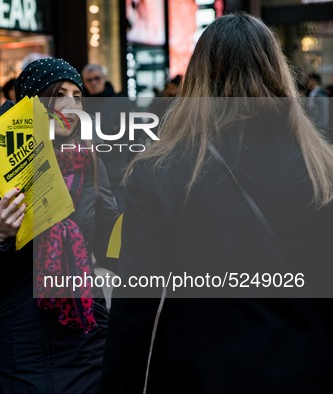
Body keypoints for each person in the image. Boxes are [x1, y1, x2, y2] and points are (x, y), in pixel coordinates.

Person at [100, 13, 333, 393]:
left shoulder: (161, 169)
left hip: (196, 371)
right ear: (277, 72)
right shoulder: (320, 168)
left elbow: (134, 311)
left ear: (198, 78)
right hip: (303, 368)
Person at [0, 58, 119, 393]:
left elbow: (111, 243)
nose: (70, 104)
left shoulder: (90, 160)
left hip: (83, 338)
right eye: (59, 95)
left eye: (77, 95)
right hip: (16, 343)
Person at [81, 63, 129, 210]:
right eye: (89, 80)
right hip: (91, 169)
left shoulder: (120, 101)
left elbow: (133, 134)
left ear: (104, 78)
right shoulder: (82, 104)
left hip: (118, 168)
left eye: (97, 78)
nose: (93, 83)